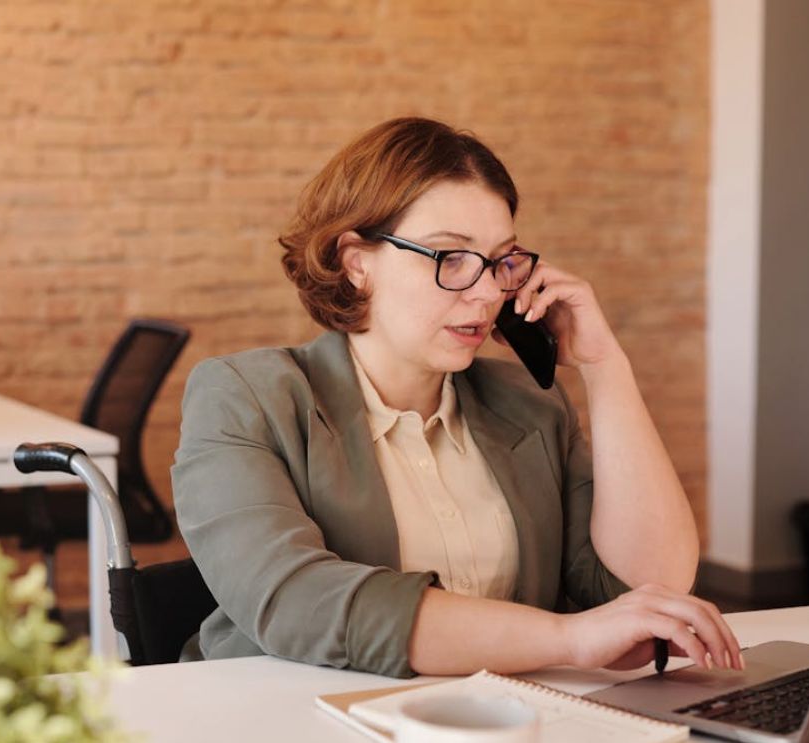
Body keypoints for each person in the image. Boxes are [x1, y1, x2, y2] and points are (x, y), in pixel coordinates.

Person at [171, 117, 740, 678]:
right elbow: (294, 600)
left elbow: (649, 588)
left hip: (492, 719)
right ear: (357, 262)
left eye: (501, 260)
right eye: (451, 257)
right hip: (286, 716)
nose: (490, 290)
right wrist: (568, 638)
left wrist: (603, 366)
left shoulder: (528, 404)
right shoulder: (245, 397)